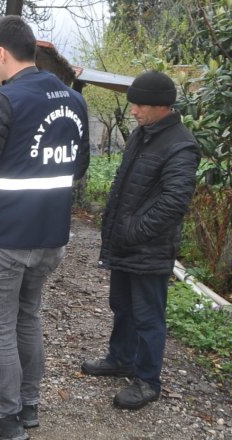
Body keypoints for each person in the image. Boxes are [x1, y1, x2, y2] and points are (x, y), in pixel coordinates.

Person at [0, 16, 89, 440]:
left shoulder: (7, 99)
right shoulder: (74, 100)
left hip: (1, 237)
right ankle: (29, 406)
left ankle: (6, 420)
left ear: (1, 52)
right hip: (49, 236)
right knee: (28, 318)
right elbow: (79, 166)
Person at [81, 70, 200, 411]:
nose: (133, 111)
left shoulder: (181, 143)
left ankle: (147, 380)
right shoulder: (142, 134)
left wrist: (133, 230)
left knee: (149, 316)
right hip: (126, 244)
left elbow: (175, 202)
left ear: (163, 106)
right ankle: (121, 359)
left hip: (149, 249)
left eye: (140, 105)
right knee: (122, 306)